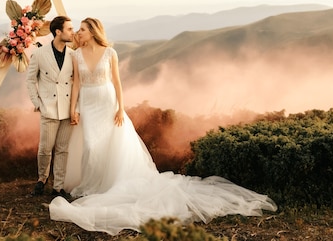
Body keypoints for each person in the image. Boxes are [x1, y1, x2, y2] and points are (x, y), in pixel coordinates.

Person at [49, 17, 277, 235]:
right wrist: (73, 109)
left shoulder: (110, 53)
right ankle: (92, 182)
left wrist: (120, 108)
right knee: (90, 144)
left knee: (110, 143)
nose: (79, 33)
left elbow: (117, 83)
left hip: (108, 103)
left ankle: (106, 184)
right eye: (78, 29)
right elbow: (77, 83)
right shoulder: (77, 55)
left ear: (94, 32)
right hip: (88, 104)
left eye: (83, 29)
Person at [26, 15, 75, 199]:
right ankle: (41, 180)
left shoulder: (73, 55)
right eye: (69, 29)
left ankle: (58, 187)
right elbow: (30, 80)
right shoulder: (39, 54)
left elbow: (76, 82)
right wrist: (37, 103)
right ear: (58, 32)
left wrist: (75, 108)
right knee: (45, 148)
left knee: (63, 149)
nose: (73, 32)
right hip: (49, 108)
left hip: (67, 109)